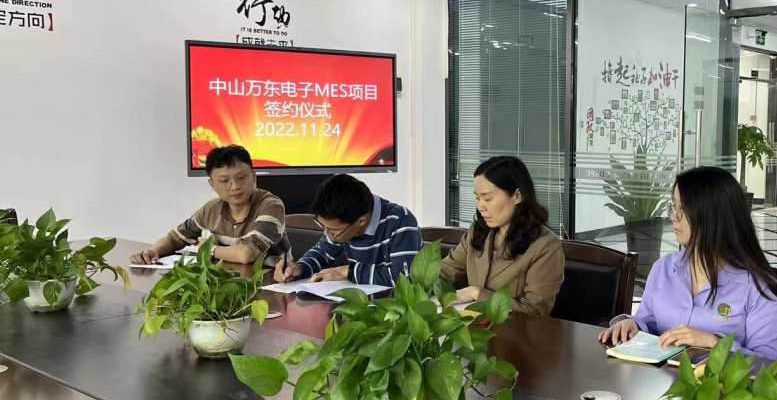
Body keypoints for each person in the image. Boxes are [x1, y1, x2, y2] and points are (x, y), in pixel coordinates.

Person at [599, 166, 777, 360]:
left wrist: (715, 343)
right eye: (674, 207)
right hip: (661, 377)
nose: (673, 217)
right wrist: (634, 326)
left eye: (683, 209)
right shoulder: (663, 268)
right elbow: (650, 324)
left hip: (718, 380)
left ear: (712, 215)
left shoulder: (758, 288)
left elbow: (769, 364)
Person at [440, 156, 565, 318]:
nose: (481, 206)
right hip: (472, 327)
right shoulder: (478, 231)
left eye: (488, 198)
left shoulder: (545, 245)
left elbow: (534, 312)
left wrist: (477, 293)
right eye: (477, 198)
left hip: (515, 331)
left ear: (517, 196)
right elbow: (442, 272)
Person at [130, 145, 288, 265]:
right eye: (224, 181)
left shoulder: (271, 205)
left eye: (241, 178)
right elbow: (175, 238)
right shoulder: (211, 209)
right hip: (227, 282)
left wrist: (209, 249)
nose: (235, 186)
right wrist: (153, 251)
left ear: (253, 176)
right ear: (212, 184)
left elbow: (247, 254)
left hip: (270, 284)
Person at [275, 174, 420, 286]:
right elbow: (322, 253)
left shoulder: (400, 221)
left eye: (332, 230)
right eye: (323, 226)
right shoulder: (345, 222)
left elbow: (406, 278)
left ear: (361, 221)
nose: (326, 233)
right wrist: (299, 269)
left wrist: (348, 271)